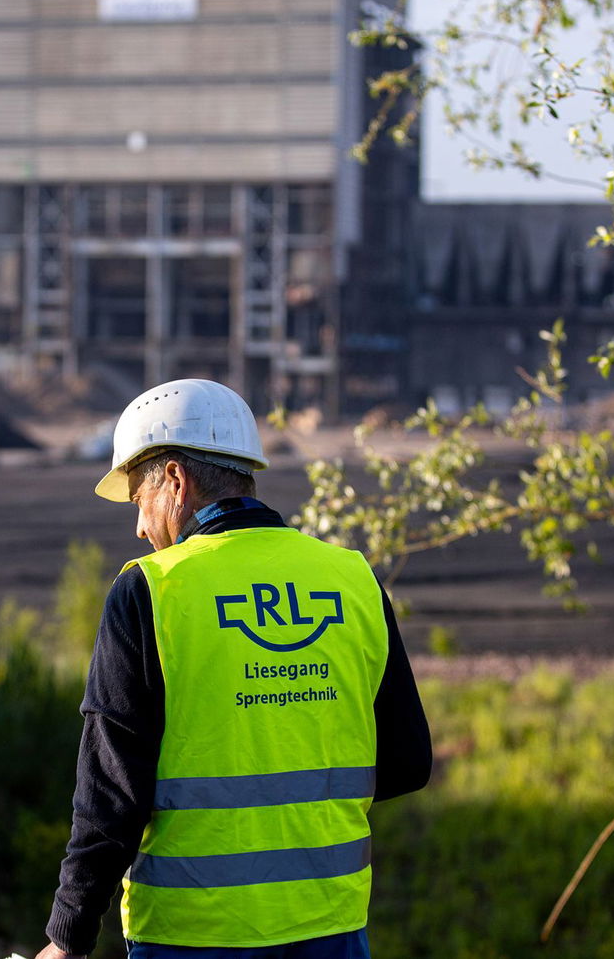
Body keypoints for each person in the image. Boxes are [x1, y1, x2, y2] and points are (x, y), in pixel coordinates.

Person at [35, 378, 431, 959]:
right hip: (331, 928)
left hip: (192, 936)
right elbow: (407, 764)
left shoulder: (151, 591)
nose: (140, 528)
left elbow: (111, 795)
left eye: (138, 499)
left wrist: (67, 937)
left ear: (174, 479)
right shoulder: (353, 579)